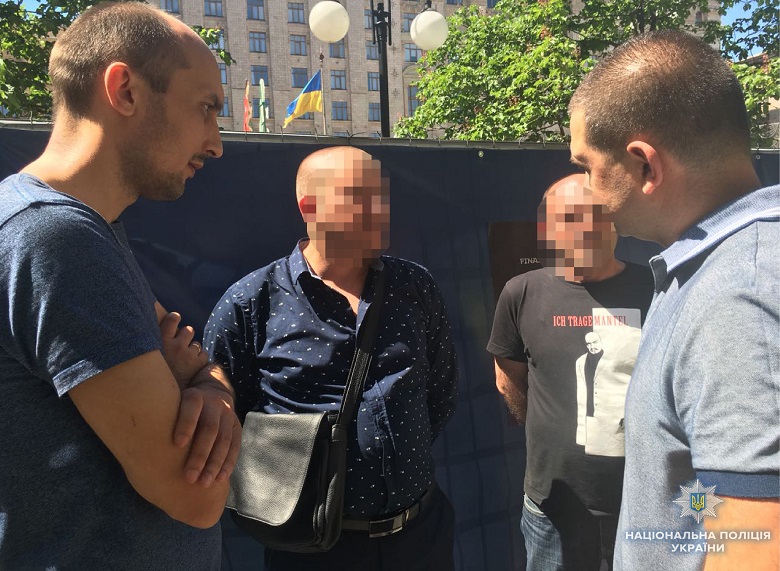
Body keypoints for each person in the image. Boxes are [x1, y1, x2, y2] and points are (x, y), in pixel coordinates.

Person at [0, 3, 241, 568]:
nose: (216, 143)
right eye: (206, 108)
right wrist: (200, 386)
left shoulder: (73, 226)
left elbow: (194, 364)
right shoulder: (58, 238)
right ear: (125, 90)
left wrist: (211, 390)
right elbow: (197, 497)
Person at [568, 29, 779, 570]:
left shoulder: (735, 298)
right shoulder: (723, 266)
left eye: (586, 167)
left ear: (645, 166)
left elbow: (755, 550)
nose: (586, 190)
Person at [204, 146, 459, 571]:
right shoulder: (250, 303)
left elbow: (440, 395)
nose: (379, 210)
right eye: (359, 197)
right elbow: (226, 421)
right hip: (311, 552)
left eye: (382, 196)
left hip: (421, 537)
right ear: (310, 207)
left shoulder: (414, 286)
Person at [487, 174, 654, 570]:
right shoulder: (521, 293)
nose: (583, 228)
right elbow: (508, 378)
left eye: (595, 214)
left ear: (615, 219)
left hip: (646, 504)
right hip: (552, 509)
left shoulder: (657, 287)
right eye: (568, 218)